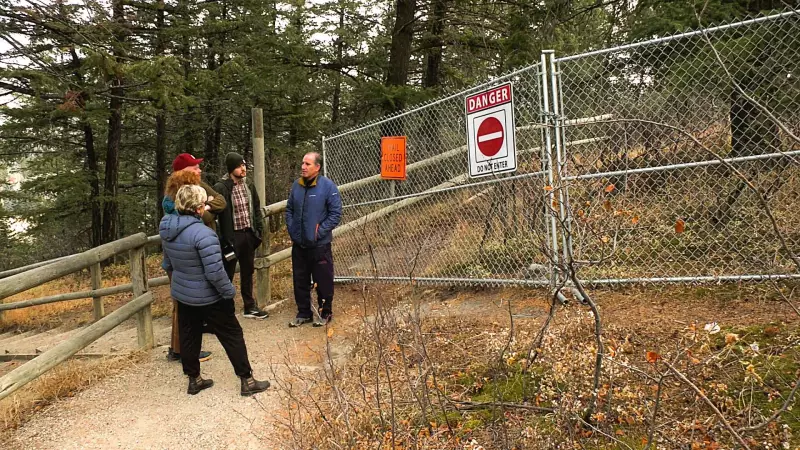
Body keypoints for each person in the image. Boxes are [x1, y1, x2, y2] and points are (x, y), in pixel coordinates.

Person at [160, 184, 270, 396]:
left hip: (183, 295)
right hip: (209, 296)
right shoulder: (204, 234)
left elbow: (168, 264)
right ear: (199, 207)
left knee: (189, 336)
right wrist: (228, 292)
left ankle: (194, 380)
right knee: (232, 334)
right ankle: (247, 380)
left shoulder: (166, 229)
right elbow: (215, 273)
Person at [162, 154, 227, 362]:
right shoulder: (173, 197)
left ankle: (179, 348)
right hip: (183, 256)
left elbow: (221, 201)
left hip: (188, 254)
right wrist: (207, 210)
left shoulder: (198, 186)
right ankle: (184, 350)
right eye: (195, 167)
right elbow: (203, 218)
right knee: (185, 305)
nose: (200, 171)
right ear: (184, 172)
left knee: (182, 304)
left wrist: (207, 205)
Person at [285, 152, 342, 327]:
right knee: (300, 280)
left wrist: (319, 232)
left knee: (323, 279)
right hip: (299, 244)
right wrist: (293, 230)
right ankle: (304, 312)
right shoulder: (297, 186)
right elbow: (289, 210)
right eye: (303, 163)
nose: (303, 167)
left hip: (319, 245)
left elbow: (335, 214)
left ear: (317, 167)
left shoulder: (327, 187)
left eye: (307, 164)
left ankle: (325, 312)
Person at [214, 152, 269, 319]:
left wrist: (257, 231)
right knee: (227, 273)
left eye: (244, 165)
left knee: (248, 271)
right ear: (232, 168)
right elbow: (217, 217)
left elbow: (257, 208)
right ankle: (224, 310)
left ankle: (249, 306)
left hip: (248, 234)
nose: (243, 168)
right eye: (239, 166)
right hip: (232, 238)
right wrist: (222, 239)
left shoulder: (248, 185)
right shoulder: (221, 187)